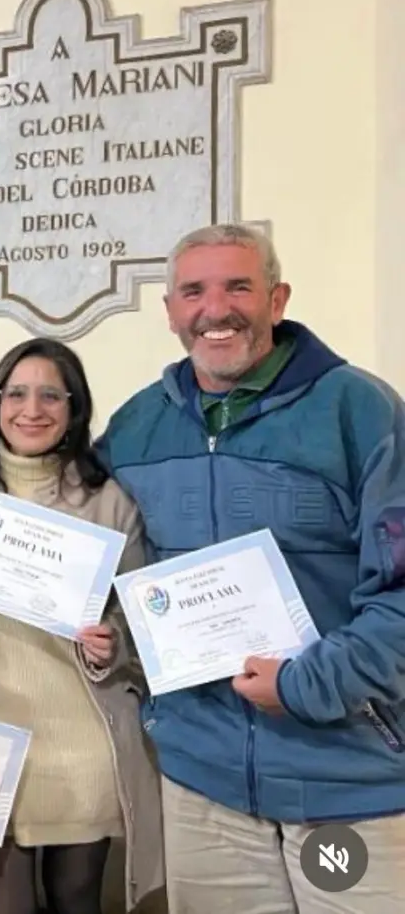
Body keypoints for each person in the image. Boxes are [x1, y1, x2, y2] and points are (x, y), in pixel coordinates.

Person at [97, 223, 405, 912]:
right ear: (170, 311)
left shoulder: (362, 411)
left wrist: (305, 685)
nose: (216, 309)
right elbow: (90, 542)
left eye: (238, 286)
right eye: (194, 292)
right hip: (201, 781)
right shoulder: (137, 426)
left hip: (346, 780)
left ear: (277, 298)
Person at [0, 338, 164, 914]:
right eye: (16, 393)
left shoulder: (108, 500)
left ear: (73, 408)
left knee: (76, 901)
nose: (31, 409)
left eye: (50, 396)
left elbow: (140, 617)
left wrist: (112, 644)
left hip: (80, 742)